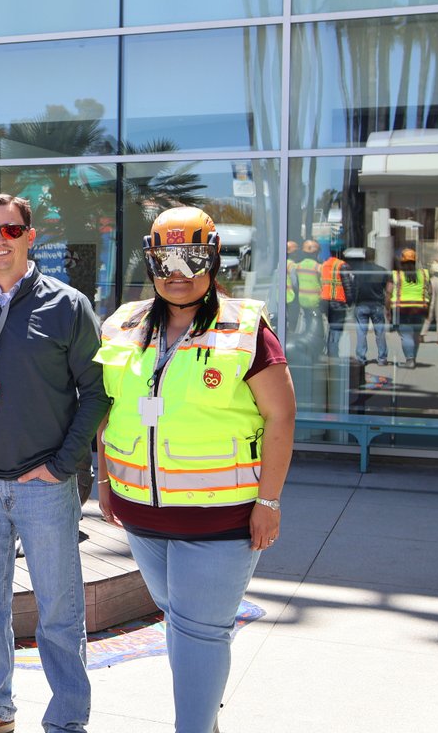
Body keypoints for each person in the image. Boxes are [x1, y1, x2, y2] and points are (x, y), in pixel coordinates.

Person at [94, 207, 295, 733]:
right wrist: (105, 482)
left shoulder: (247, 326)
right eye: (165, 260)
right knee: (182, 624)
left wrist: (268, 502)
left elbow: (281, 416)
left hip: (221, 520)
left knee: (200, 630)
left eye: (192, 258)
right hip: (141, 517)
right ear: (150, 260)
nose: (177, 273)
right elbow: (106, 408)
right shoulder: (123, 323)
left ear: (212, 258)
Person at [0, 194, 108, 733]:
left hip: (44, 485)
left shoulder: (68, 305)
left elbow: (97, 393)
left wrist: (64, 466)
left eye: (10, 230)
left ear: (30, 237)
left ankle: (67, 719)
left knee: (60, 612)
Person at [387, 248, 432, 368]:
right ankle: (412, 358)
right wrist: (428, 309)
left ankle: (409, 360)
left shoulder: (396, 275)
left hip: (402, 308)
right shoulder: (424, 274)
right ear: (415, 261)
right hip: (420, 308)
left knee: (406, 335)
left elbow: (389, 292)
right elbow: (430, 292)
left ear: (402, 261)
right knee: (416, 335)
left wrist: (387, 310)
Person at [349, 248, 389, 365]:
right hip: (377, 305)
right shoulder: (382, 271)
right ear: (374, 256)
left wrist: (352, 302)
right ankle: (382, 358)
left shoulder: (358, 271)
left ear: (364, 256)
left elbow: (353, 287)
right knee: (380, 332)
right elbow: (387, 290)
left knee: (361, 332)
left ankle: (361, 358)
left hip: (361, 304)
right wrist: (387, 306)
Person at [319, 245, 353, 358]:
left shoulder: (324, 265)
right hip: (337, 301)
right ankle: (333, 354)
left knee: (330, 327)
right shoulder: (341, 265)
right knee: (336, 328)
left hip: (325, 300)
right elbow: (347, 285)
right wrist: (350, 301)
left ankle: (329, 350)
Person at [293, 240, 321, 335]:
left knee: (306, 323)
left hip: (302, 299)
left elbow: (295, 283)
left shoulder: (298, 266)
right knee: (315, 326)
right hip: (315, 301)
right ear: (316, 253)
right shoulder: (318, 267)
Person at [422, 259, 438, 346]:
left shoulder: (431, 280)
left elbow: (429, 292)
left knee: (429, 317)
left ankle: (422, 335)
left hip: (432, 300)